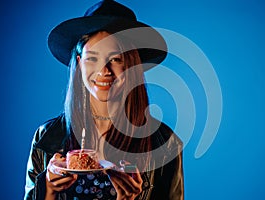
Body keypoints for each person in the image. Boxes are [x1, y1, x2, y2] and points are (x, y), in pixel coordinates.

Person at [24, 0, 184, 199]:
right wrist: (47, 190)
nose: (104, 71)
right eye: (92, 58)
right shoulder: (46, 139)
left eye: (116, 59)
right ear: (79, 63)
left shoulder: (165, 144)